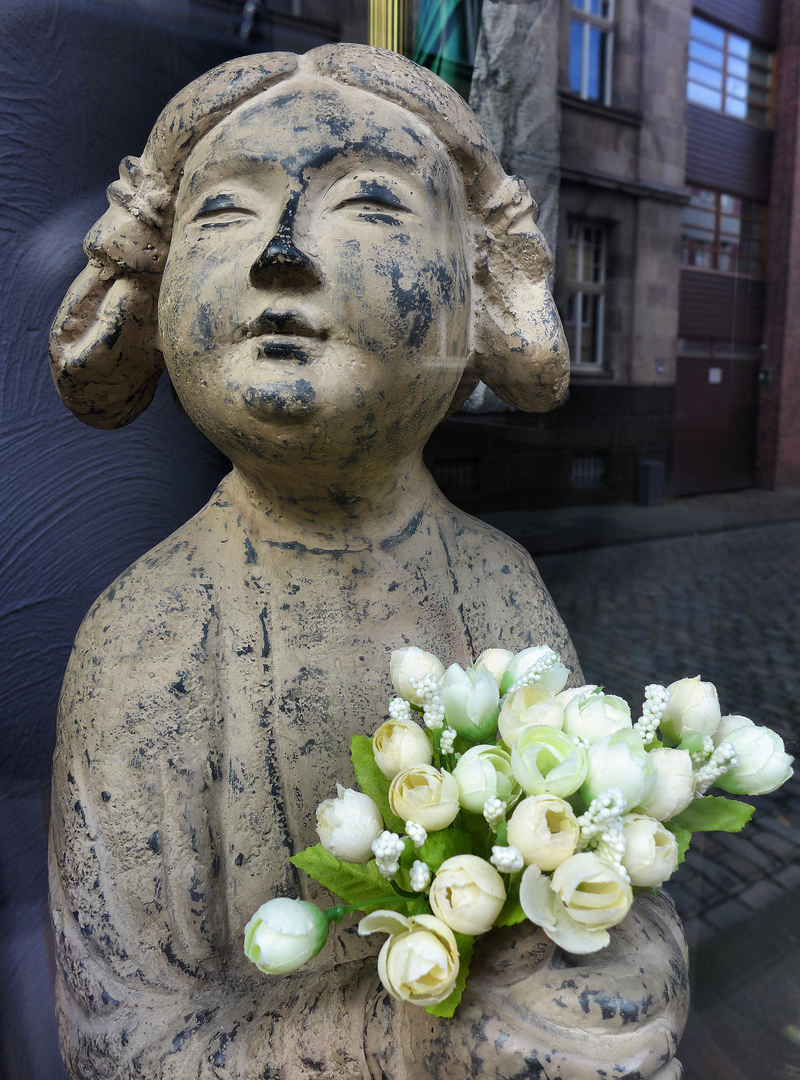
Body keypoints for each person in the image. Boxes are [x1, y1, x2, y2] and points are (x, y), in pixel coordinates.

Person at [48, 43, 686, 1079]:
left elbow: (598, 882)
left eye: (370, 206)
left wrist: (615, 973)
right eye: (226, 213)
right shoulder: (152, 633)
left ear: (474, 293)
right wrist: (446, 1040)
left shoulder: (497, 584)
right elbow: (125, 1041)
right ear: (158, 295)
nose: (283, 254)